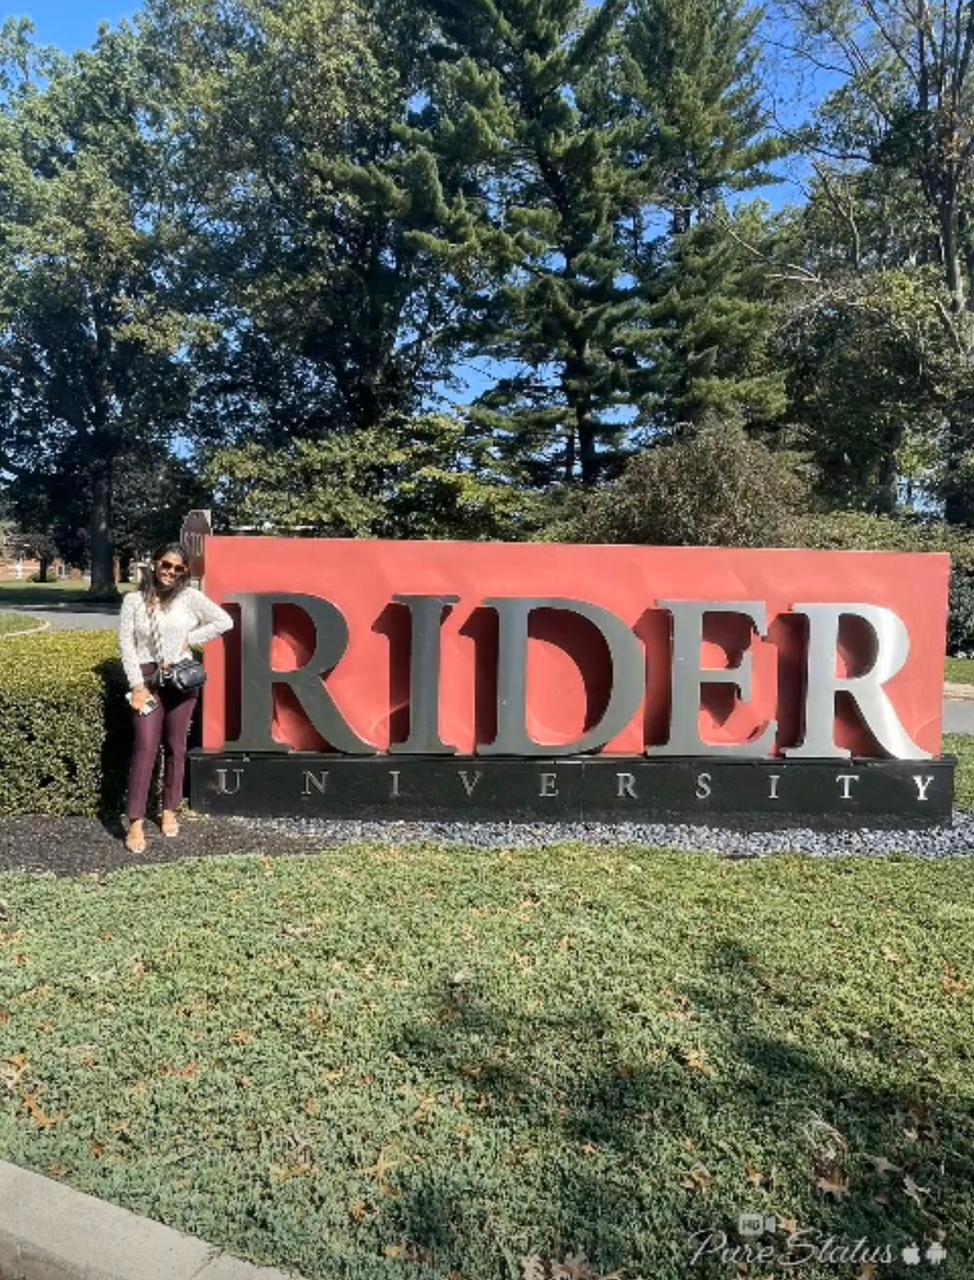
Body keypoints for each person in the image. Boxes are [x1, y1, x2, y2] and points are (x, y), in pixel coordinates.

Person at [118, 542, 233, 854]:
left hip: (181, 678)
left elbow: (224, 621)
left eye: (178, 568)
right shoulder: (133, 600)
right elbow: (127, 646)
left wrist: (189, 639)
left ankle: (169, 809)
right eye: (165, 565)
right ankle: (136, 821)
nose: (170, 572)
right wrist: (137, 684)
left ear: (185, 572)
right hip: (147, 679)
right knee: (145, 746)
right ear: (154, 563)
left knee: (176, 746)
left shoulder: (190, 598)